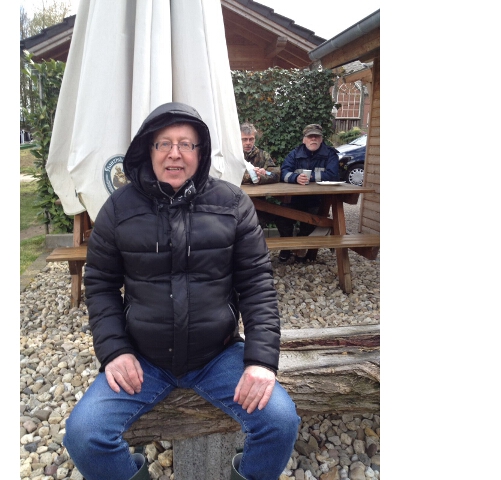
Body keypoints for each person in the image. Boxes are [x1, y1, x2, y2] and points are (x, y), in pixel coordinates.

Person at [62, 102, 300, 480]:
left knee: (281, 423)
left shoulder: (233, 204)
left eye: (186, 144)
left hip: (217, 355)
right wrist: (115, 351)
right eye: (164, 144)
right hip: (143, 359)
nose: (175, 153)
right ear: (148, 150)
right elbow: (101, 284)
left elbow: (257, 285)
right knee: (84, 435)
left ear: (200, 153)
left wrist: (261, 361)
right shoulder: (118, 209)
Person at [276, 123, 339, 262]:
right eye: (310, 136)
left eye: (316, 136)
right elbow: (283, 172)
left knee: (313, 218)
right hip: (293, 198)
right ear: (304, 139)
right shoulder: (294, 153)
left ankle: (301, 247)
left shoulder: (331, 154)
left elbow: (334, 175)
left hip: (317, 199)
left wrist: (311, 178)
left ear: (321, 139)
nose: (313, 139)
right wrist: (295, 178)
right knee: (281, 217)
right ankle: (286, 246)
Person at [240, 122, 280, 230]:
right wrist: (250, 176)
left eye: (251, 139)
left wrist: (263, 175)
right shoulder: (232, 155)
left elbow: (275, 174)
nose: (248, 143)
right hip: (237, 202)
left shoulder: (263, 155)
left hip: (259, 204)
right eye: (244, 139)